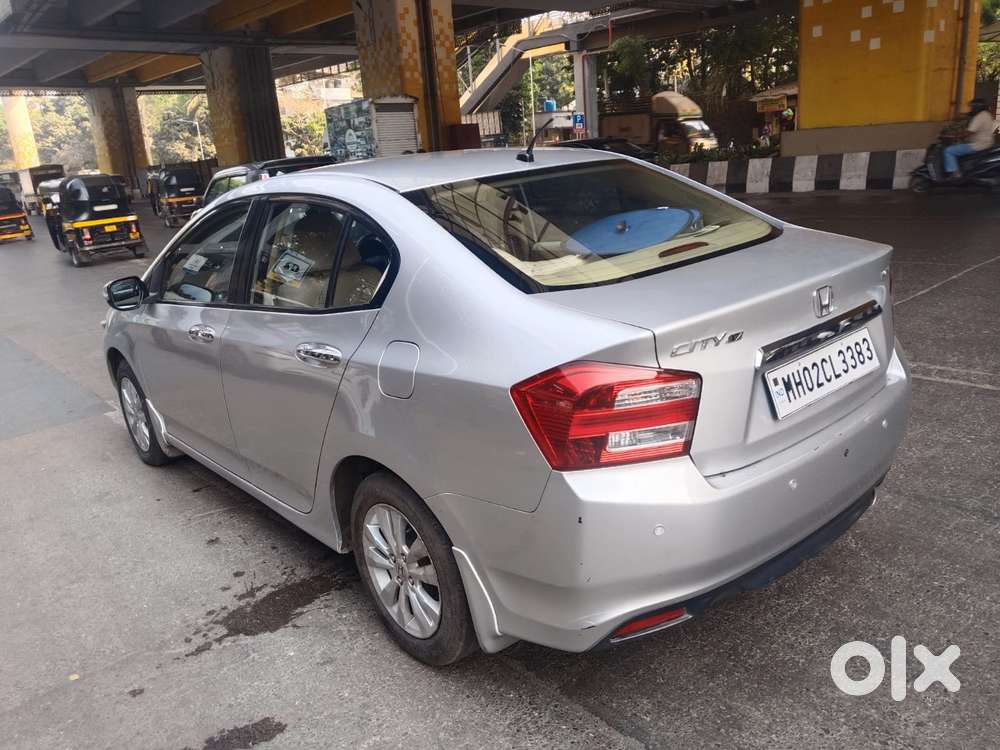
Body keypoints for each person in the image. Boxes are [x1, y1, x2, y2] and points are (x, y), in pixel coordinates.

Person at [943, 98, 997, 178]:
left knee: (949, 150)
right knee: (959, 147)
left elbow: (969, 132)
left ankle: (955, 174)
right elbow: (968, 115)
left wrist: (954, 136)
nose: (971, 109)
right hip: (987, 143)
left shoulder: (979, 117)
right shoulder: (986, 114)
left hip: (978, 145)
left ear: (977, 107)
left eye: (972, 107)